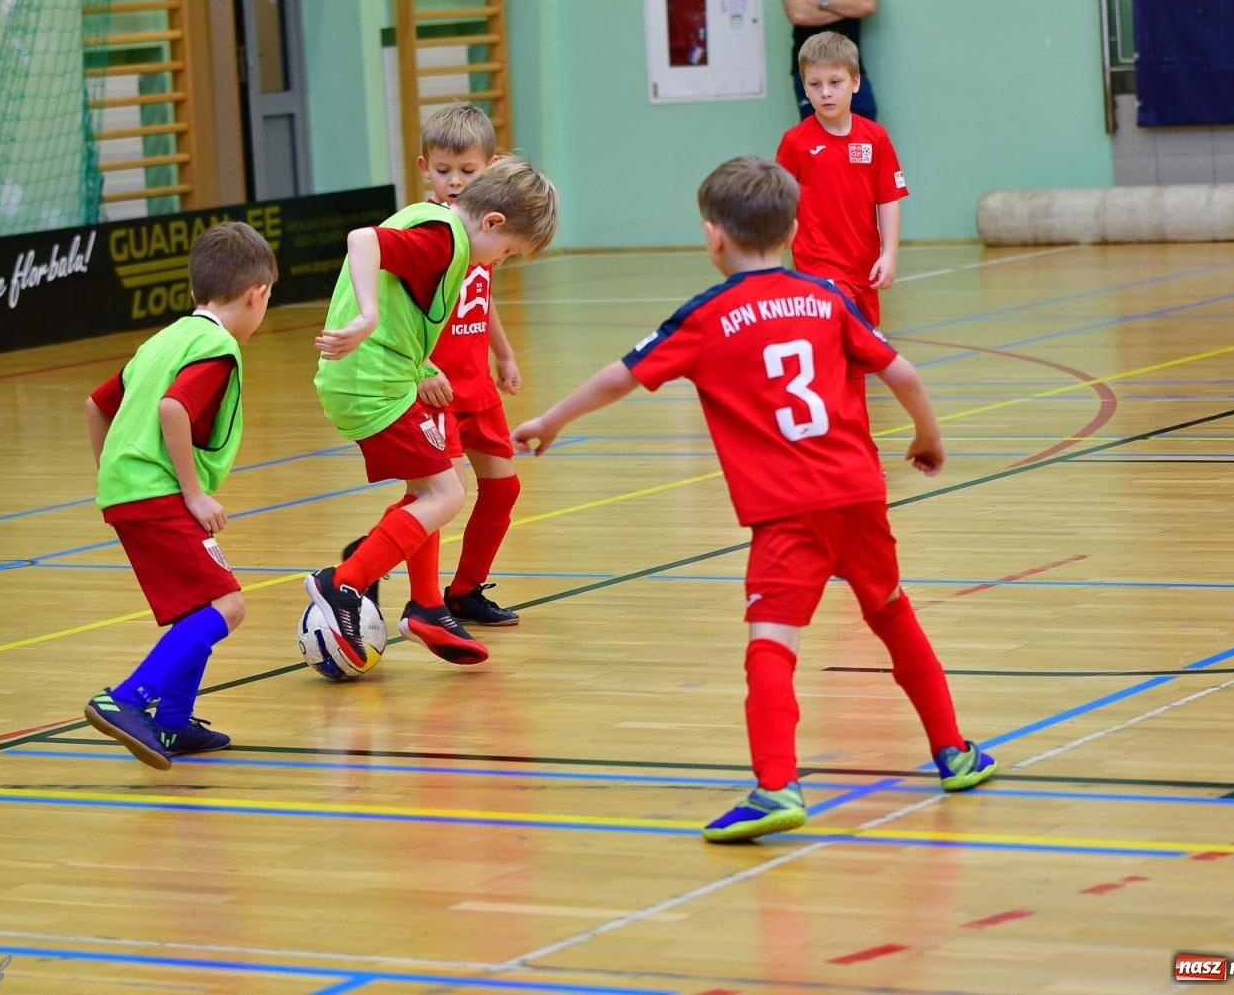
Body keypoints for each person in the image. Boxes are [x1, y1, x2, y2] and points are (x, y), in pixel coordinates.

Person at [512, 156, 994, 844]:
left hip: (787, 512)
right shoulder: (829, 298)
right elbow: (904, 371)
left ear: (713, 236)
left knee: (772, 643)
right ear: (794, 228)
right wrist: (927, 438)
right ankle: (953, 750)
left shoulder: (707, 316)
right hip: (858, 495)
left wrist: (551, 420)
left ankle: (776, 788)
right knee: (891, 613)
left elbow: (621, 378)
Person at [306, 156, 559, 668]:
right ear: (492, 223)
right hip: (372, 382)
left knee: (433, 491)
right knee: (444, 493)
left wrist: (420, 360)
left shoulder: (450, 238)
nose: (499, 263)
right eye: (507, 251)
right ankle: (344, 582)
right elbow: (363, 240)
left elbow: (408, 311)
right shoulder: (445, 237)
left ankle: (424, 604)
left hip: (384, 377)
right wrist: (367, 314)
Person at [82, 221, 276, 770]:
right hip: (162, 492)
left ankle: (169, 723)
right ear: (256, 295)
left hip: (131, 492)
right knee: (226, 605)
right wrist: (192, 493)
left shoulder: (163, 339)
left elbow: (96, 405)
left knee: (198, 605)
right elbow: (173, 410)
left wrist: (113, 477)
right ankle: (127, 699)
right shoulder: (216, 345)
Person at [411, 105, 527, 627]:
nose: (454, 181)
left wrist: (502, 353)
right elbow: (401, 316)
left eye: (467, 170)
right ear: (424, 168)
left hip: (476, 385)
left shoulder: (482, 228)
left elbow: (481, 295)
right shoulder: (428, 232)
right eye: (443, 170)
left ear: (492, 166)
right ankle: (425, 601)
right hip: (433, 391)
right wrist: (418, 368)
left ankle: (465, 590)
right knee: (434, 498)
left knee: (503, 487)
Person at [776, 31, 906, 327]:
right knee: (837, 335)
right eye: (815, 84)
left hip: (864, 268)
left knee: (859, 357)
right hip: (818, 266)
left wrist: (890, 255)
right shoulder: (795, 142)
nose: (825, 92)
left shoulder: (876, 138)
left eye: (835, 82)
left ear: (855, 82)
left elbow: (888, 200)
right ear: (805, 89)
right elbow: (779, 200)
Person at [780, 0, 879, 121]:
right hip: (810, 68)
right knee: (817, 135)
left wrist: (821, 2)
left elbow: (867, 4)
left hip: (849, 66)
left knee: (864, 128)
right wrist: (848, 6)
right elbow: (798, 14)